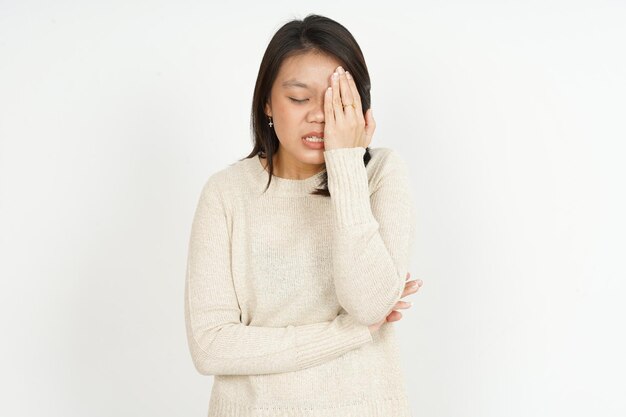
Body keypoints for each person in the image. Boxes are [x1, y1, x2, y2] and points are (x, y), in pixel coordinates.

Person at [184, 13, 423, 417]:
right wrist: (350, 333)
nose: (319, 115)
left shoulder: (380, 174)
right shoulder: (226, 193)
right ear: (267, 102)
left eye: (337, 100)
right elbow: (210, 346)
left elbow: (368, 303)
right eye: (299, 98)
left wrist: (346, 163)